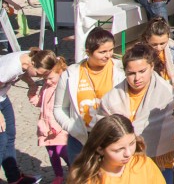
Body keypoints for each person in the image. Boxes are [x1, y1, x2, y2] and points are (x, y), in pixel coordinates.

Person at [95, 44, 174, 184]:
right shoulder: (111, 98)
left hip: (160, 162)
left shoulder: (167, 95)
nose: (137, 78)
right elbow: (102, 132)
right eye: (131, 73)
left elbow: (172, 128)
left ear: (151, 67)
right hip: (121, 165)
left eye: (142, 71)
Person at [55, 28, 125, 165]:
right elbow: (59, 108)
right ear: (88, 52)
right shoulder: (71, 74)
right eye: (102, 52)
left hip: (111, 137)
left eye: (111, 50)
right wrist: (72, 128)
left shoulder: (121, 70)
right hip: (80, 139)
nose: (108, 55)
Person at [1, 47, 57, 184]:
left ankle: (14, 178)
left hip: (2, 97)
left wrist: (31, 84)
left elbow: (25, 72)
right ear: (32, 64)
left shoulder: (29, 59)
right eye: (38, 74)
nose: (39, 78)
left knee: (10, 135)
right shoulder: (9, 69)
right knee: (1, 140)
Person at [67, 114, 165, 184]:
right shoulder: (85, 179)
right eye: (119, 149)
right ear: (100, 149)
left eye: (132, 144)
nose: (128, 153)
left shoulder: (144, 164)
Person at [30, 56, 69, 184]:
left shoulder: (63, 87)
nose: (48, 81)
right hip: (46, 127)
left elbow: (66, 109)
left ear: (60, 73)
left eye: (51, 78)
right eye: (46, 78)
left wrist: (57, 126)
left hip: (59, 127)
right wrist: (33, 97)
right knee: (52, 153)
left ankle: (75, 169)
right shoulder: (46, 87)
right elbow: (41, 102)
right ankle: (58, 175)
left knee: (62, 150)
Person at [141, 17, 174, 91]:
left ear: (168, 37)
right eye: (154, 44)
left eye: (162, 43)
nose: (159, 48)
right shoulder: (141, 53)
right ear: (147, 38)